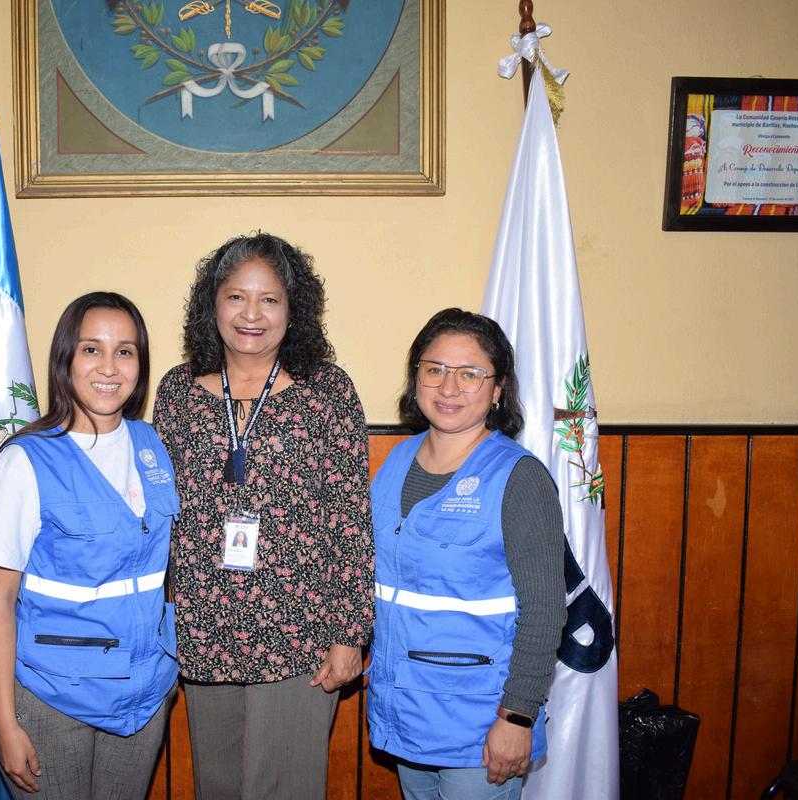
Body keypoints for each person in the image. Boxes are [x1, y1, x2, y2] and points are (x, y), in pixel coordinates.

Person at [154, 232, 374, 800]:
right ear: (212, 304)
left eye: (269, 299)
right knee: (217, 787)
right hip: (205, 627)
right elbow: (158, 513)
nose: (251, 314)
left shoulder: (327, 391)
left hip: (301, 632)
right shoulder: (177, 392)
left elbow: (351, 517)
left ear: (293, 309)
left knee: (287, 789)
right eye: (236, 296)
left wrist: (350, 633)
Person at [0, 292, 179, 798]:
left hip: (143, 696)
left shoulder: (152, 446)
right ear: (66, 359)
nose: (109, 367)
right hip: (53, 698)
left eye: (125, 351)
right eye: (92, 349)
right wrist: (4, 722)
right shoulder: (25, 461)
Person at [366, 309, 566, 800]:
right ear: (416, 378)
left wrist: (517, 716)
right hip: (406, 713)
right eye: (434, 369)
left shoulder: (518, 478)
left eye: (470, 374)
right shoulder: (396, 462)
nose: (448, 387)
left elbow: (544, 611)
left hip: (480, 725)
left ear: (498, 389)